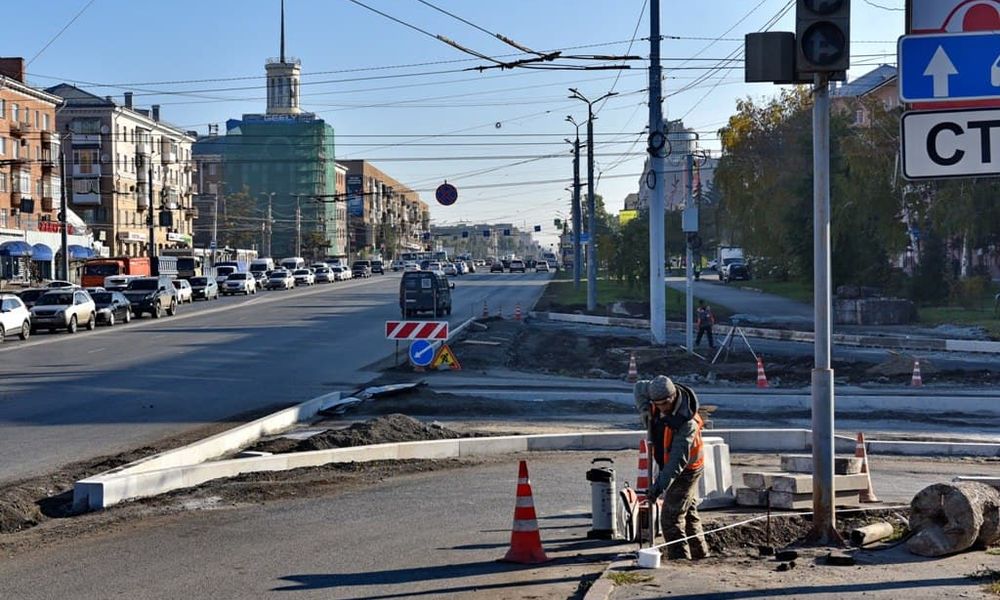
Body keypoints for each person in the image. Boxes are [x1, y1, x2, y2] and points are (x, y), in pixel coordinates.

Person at [634, 375, 711, 560]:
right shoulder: (654, 391)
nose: (660, 408)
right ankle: (701, 555)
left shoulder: (686, 422)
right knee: (688, 513)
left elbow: (677, 461)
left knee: (670, 518)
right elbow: (639, 387)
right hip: (671, 464)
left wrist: (659, 487)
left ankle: (679, 561)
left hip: (687, 470)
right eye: (656, 404)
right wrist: (645, 409)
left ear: (672, 397)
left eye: (663, 404)